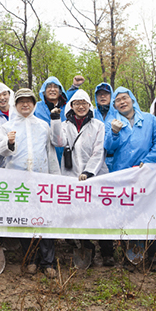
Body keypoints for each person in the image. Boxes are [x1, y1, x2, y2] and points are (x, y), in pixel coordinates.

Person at [0, 88, 60, 278]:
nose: (25, 104)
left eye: (29, 101)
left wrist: (54, 177)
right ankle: (30, 259)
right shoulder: (7, 126)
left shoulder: (43, 126)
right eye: (21, 101)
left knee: (45, 221)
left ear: (33, 104)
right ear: (16, 105)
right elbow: (1, 150)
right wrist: (9, 142)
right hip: (19, 182)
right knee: (25, 221)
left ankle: (48, 262)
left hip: (40, 180)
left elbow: (50, 154)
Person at [104, 87, 156, 270]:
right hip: (122, 175)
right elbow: (108, 148)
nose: (122, 102)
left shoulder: (149, 119)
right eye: (118, 100)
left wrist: (147, 163)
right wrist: (114, 133)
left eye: (125, 98)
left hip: (147, 174)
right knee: (127, 214)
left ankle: (154, 256)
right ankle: (130, 257)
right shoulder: (112, 122)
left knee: (151, 212)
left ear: (132, 99)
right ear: (114, 105)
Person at [49, 90, 113, 265]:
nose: (81, 106)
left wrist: (89, 172)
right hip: (72, 176)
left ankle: (107, 251)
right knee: (80, 214)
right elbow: (57, 142)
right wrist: (55, 120)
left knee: (100, 214)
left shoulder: (98, 125)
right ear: (71, 106)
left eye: (84, 103)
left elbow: (99, 151)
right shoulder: (65, 125)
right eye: (77, 103)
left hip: (95, 176)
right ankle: (87, 248)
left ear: (89, 105)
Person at [34, 77, 68, 164]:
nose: (52, 89)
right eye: (49, 87)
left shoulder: (67, 108)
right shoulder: (36, 107)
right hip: (43, 151)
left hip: (65, 153)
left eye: (55, 87)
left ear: (60, 91)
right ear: (44, 91)